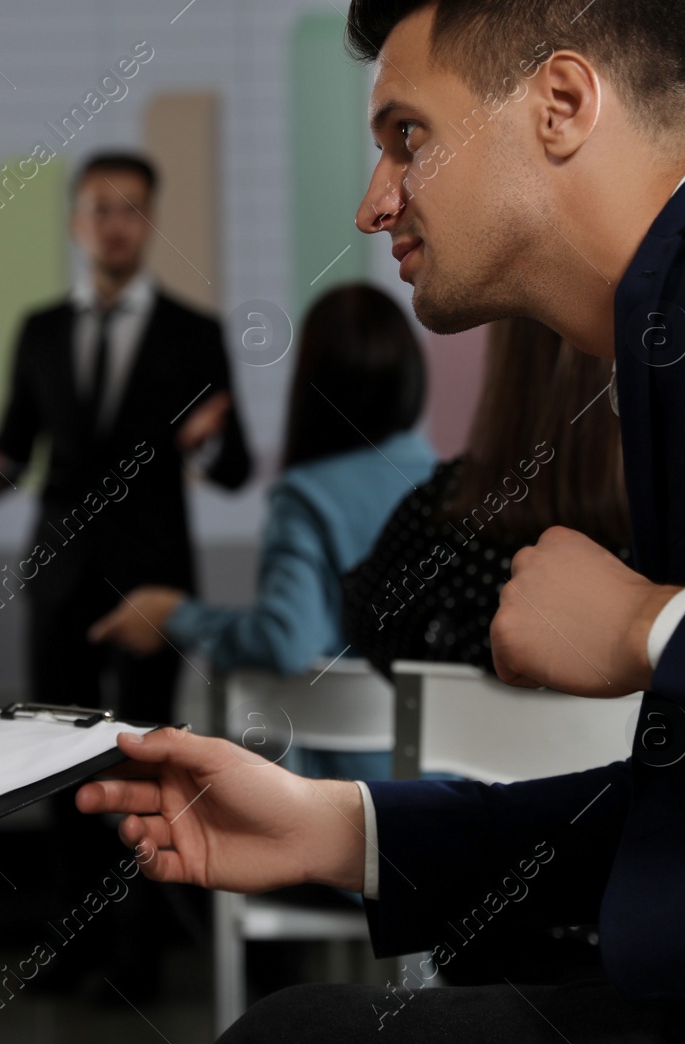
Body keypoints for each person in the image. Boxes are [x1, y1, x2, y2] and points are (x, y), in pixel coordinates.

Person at [76, 0, 685, 1044]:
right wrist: (344, 827)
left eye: (409, 136)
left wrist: (654, 624)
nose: (371, 203)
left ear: (563, 104)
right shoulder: (680, 330)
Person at [89, 282, 437, 782]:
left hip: (346, 806)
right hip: (451, 794)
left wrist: (174, 615)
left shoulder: (305, 496)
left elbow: (285, 641)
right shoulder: (456, 486)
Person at [0, 150, 252, 726]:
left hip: (154, 582)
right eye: (100, 210)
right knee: (49, 748)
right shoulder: (40, 332)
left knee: (147, 751)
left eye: (130, 211)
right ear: (75, 222)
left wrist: (204, 446)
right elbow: (15, 450)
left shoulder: (194, 334)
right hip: (58, 572)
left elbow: (236, 469)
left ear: (149, 222)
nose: (114, 226)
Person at [342, 317, 629, 680]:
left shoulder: (439, 516)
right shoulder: (677, 534)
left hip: (454, 735)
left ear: (506, 362)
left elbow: (367, 627)